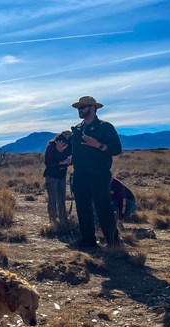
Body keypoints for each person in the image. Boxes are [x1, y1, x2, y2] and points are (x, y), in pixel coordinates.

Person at [70, 96, 122, 248]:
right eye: (79, 108)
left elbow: (116, 149)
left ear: (93, 108)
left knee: (103, 208)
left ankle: (113, 243)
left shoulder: (105, 127)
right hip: (80, 175)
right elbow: (77, 150)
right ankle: (88, 241)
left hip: (99, 175)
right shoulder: (77, 129)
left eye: (83, 107)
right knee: (83, 209)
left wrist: (98, 145)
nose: (80, 110)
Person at [43, 131, 72, 229]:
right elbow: (48, 162)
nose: (64, 144)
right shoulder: (51, 147)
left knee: (61, 199)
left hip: (62, 176)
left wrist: (68, 162)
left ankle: (63, 219)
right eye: (63, 142)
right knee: (52, 199)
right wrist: (61, 162)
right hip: (52, 176)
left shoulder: (67, 147)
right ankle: (53, 221)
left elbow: (68, 158)